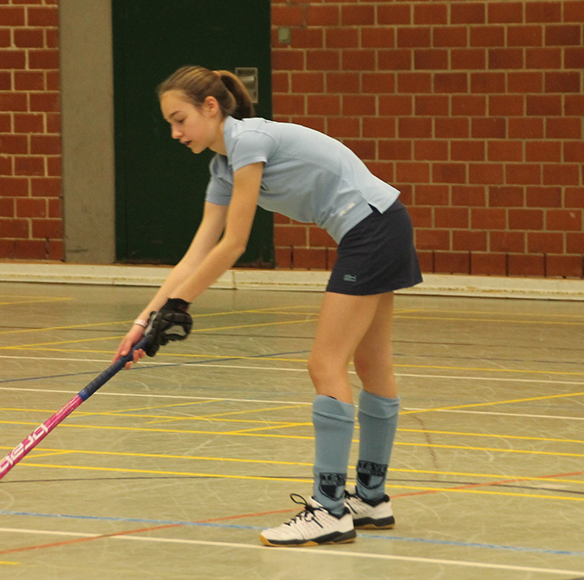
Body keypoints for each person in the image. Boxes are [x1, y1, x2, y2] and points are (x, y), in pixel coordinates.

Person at [112, 65, 421, 547]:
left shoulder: (249, 142)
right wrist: (146, 319)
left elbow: (234, 243)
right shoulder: (222, 169)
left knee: (325, 364)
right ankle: (371, 498)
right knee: (371, 362)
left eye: (180, 120)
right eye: (170, 123)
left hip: (371, 229)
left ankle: (329, 510)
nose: (175, 133)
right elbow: (197, 253)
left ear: (210, 108)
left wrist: (181, 304)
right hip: (384, 223)